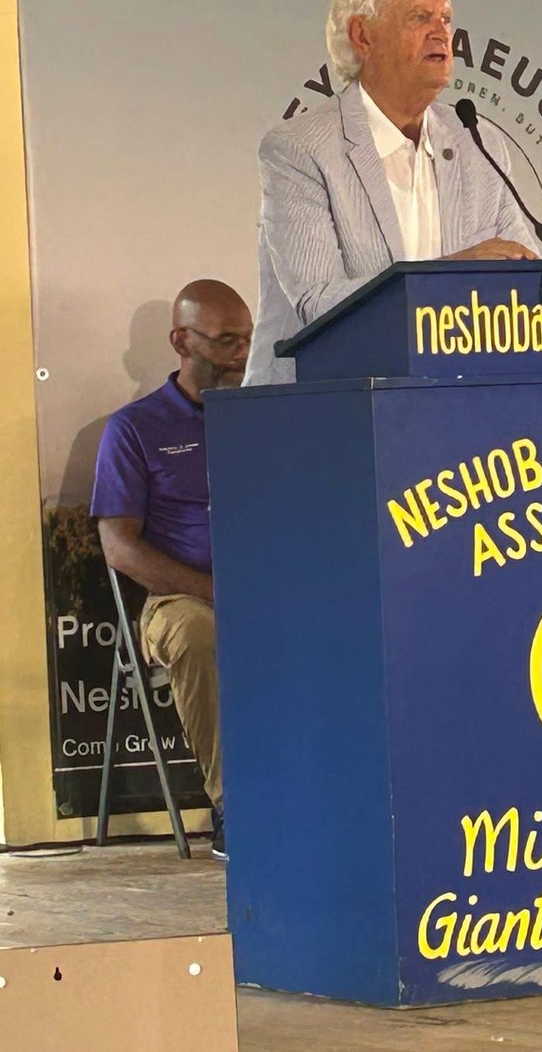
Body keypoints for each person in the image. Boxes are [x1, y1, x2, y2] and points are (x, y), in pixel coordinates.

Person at [244, 0, 542, 386]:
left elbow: (512, 292)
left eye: (446, 19)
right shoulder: (300, 150)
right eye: (420, 18)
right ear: (363, 36)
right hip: (320, 407)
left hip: (444, 403)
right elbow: (319, 303)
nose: (441, 33)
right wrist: (451, 272)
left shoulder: (479, 143)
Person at [92, 279, 253, 860]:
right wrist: (214, 591)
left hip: (271, 588)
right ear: (180, 341)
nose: (241, 354)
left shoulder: (267, 412)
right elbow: (119, 548)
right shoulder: (134, 428)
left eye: (248, 341)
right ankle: (235, 808)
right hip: (178, 601)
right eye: (226, 341)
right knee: (200, 633)